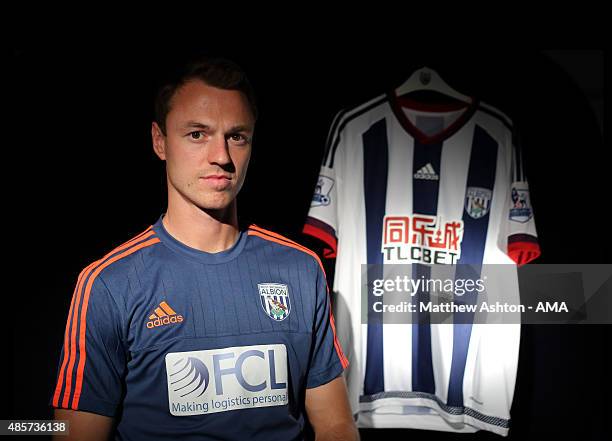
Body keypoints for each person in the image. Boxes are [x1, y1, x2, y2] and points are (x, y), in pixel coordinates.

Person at [50, 56, 359, 441]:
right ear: (159, 141)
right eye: (197, 134)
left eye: (237, 136)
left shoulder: (300, 268)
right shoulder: (109, 284)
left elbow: (335, 424)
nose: (222, 157)